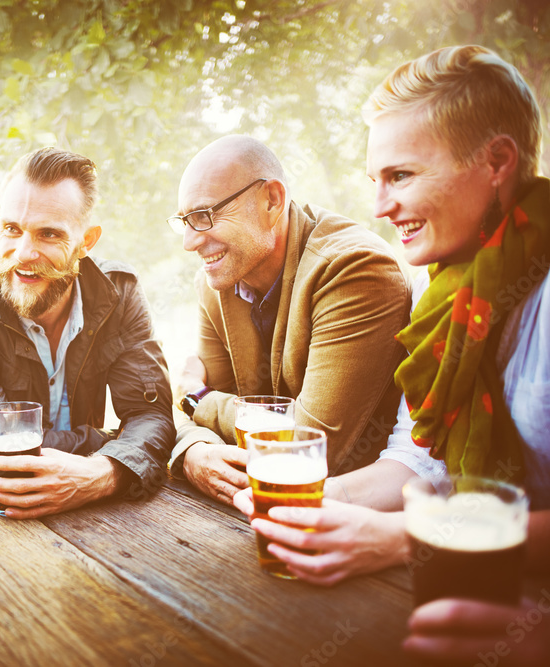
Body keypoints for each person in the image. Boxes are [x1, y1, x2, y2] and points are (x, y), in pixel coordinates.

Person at [232, 45, 550, 665]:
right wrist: (315, 502)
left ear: (497, 162)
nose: (379, 208)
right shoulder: (444, 293)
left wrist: (408, 540)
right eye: (374, 180)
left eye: (401, 176)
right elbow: (419, 464)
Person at [0, 147, 175, 517]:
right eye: (11, 229)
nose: (24, 253)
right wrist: (112, 445)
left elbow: (151, 415)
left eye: (48, 234)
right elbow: (0, 453)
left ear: (86, 242)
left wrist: (104, 473)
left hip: (92, 507)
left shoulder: (118, 292)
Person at [167, 135, 410, 505]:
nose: (189, 242)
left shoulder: (356, 269)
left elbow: (308, 448)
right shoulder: (216, 280)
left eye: (204, 217)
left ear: (272, 200)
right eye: (185, 221)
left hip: (353, 520)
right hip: (252, 512)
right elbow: (195, 421)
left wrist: (195, 398)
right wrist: (194, 448)